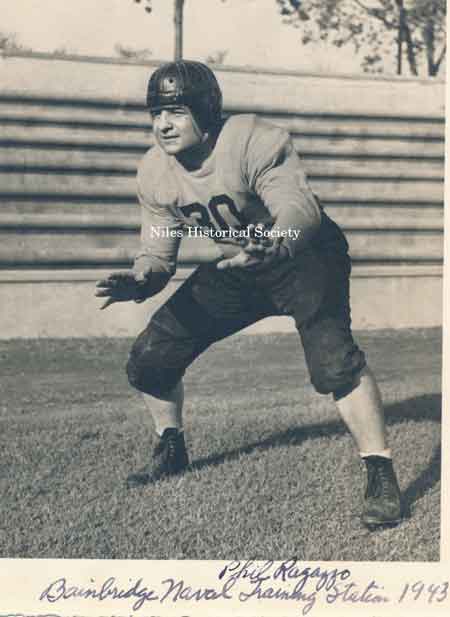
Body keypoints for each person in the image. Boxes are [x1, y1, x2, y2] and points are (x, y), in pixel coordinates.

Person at [96, 60, 402, 529]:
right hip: (238, 263)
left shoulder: (252, 138)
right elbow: (159, 251)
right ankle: (170, 446)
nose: (163, 124)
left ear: (205, 109)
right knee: (150, 358)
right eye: (156, 113)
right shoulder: (155, 172)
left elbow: (298, 208)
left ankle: (380, 473)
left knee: (334, 364)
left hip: (303, 256)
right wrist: (141, 279)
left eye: (175, 111)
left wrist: (277, 244)